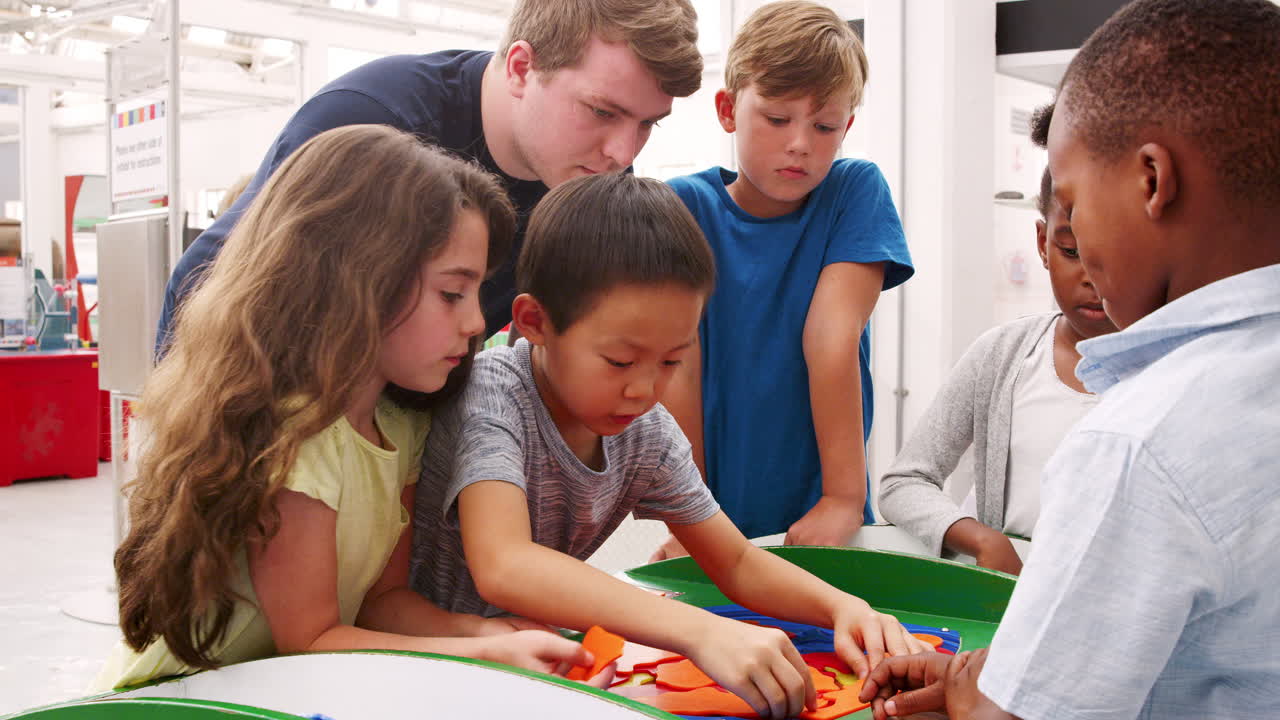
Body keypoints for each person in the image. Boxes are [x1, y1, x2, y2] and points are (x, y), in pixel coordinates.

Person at [856, 1, 1280, 717]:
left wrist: (980, 698)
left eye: (1077, 204)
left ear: (1151, 182)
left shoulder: (1139, 440)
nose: (1078, 249)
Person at [92, 126, 598, 692]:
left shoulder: (399, 426)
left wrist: (482, 634)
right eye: (452, 293)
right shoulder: (297, 436)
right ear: (357, 279)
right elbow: (309, 639)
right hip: (186, 698)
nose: (478, 321)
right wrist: (478, 658)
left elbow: (381, 604)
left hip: (285, 690)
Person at [409, 172, 931, 720]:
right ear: (535, 322)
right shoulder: (493, 393)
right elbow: (506, 564)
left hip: (519, 663)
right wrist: (699, 630)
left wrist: (843, 607)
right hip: (411, 655)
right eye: (619, 361)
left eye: (671, 361)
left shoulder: (646, 430)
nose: (644, 389)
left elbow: (734, 559)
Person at [155, 0, 703, 353]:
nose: (621, 152)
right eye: (602, 112)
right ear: (520, 68)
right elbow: (211, 289)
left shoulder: (588, 171)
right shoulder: (371, 123)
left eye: (647, 124)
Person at [655, 1, 914, 557]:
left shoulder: (853, 191)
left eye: (823, 126)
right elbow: (677, 364)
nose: (801, 143)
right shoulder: (683, 207)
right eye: (777, 119)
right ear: (727, 109)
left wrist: (844, 498)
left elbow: (830, 336)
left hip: (825, 517)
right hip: (714, 516)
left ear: (846, 126)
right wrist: (688, 517)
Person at [877, 164, 1116, 575]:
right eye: (1072, 251)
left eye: (1115, 254)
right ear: (1043, 242)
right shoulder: (1002, 355)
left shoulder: (1175, 372)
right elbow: (904, 482)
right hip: (1005, 608)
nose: (1091, 277)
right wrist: (979, 537)